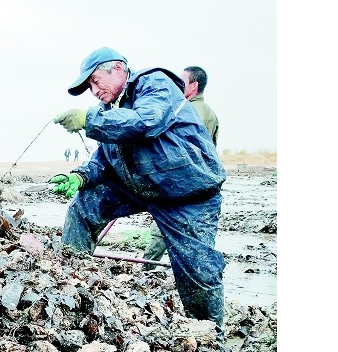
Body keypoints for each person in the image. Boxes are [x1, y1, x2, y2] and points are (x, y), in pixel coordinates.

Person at [50, 47, 227, 326]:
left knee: (198, 271)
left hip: (186, 193)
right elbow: (103, 158)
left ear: (118, 69)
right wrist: (80, 176)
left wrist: (88, 120)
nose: (94, 91)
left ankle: (211, 336)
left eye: (96, 81)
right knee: (84, 205)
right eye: (89, 87)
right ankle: (73, 286)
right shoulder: (108, 109)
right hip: (139, 186)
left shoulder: (155, 84)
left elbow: (146, 122)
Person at [139, 65, 219, 268]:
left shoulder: (189, 112)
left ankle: (146, 268)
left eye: (182, 81)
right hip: (202, 186)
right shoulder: (208, 112)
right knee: (198, 235)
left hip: (185, 184)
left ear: (194, 85)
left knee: (164, 230)